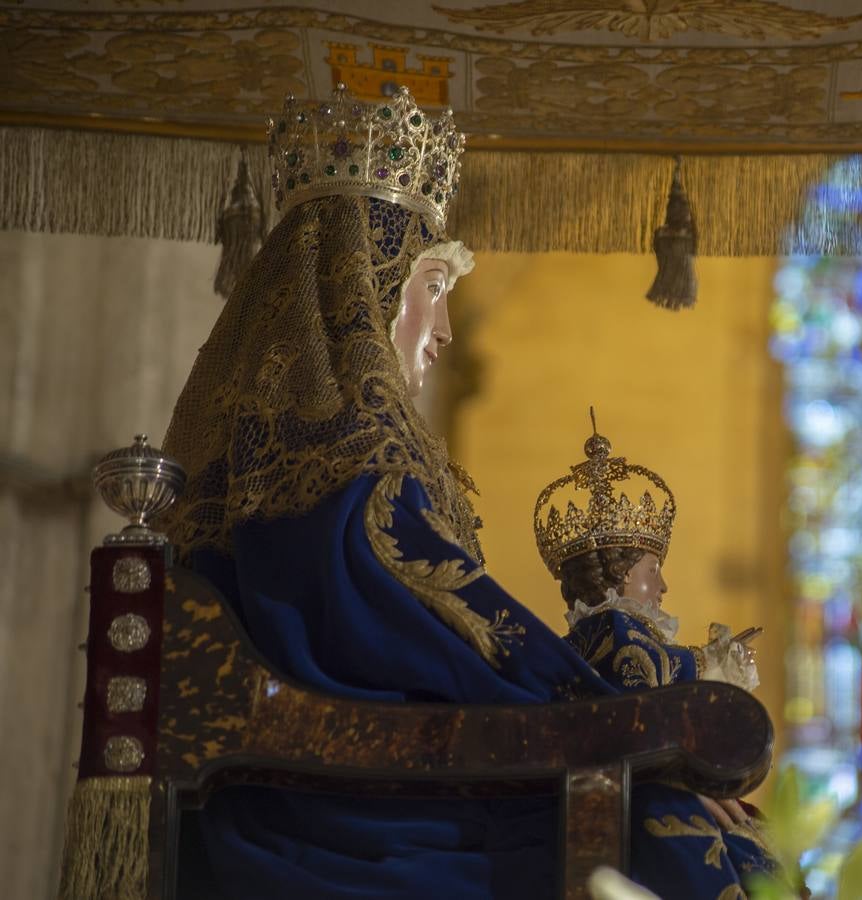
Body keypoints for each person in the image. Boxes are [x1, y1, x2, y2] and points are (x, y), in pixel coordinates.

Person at [161, 84, 776, 898]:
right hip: (353, 815)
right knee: (682, 828)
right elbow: (463, 641)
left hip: (346, 784)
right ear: (364, 290)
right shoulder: (352, 473)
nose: (443, 330)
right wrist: (653, 732)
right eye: (433, 289)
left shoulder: (286, 465)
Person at [535, 417, 767, 840]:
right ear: (622, 574)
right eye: (653, 569)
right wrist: (719, 661)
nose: (662, 586)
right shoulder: (616, 628)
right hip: (634, 793)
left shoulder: (585, 637)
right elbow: (644, 682)